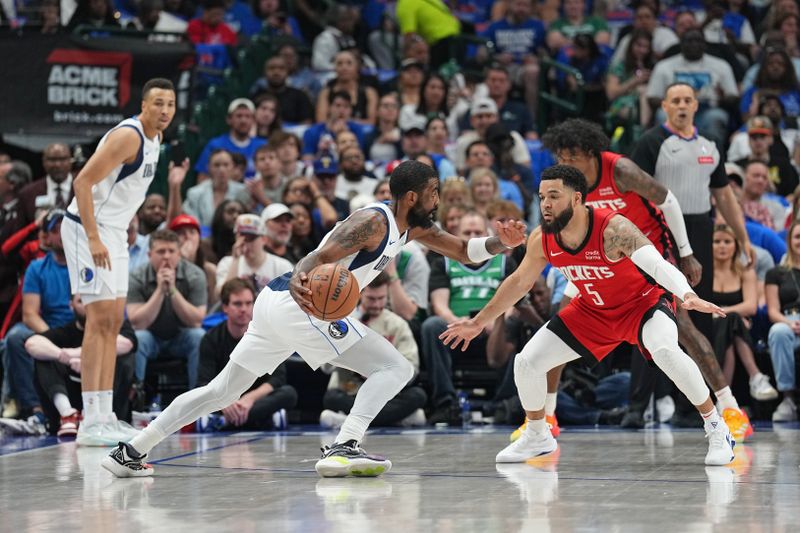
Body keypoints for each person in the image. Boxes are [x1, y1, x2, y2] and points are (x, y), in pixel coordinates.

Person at [102, 160, 527, 478]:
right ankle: (344, 445)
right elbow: (320, 255)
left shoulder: (411, 228)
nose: (439, 199)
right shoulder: (373, 222)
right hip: (300, 302)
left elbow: (463, 252)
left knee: (220, 390)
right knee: (396, 366)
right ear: (414, 196)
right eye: (434, 191)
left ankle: (131, 452)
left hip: (277, 305)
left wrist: (499, 243)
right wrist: (303, 280)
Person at [441, 165, 735, 466]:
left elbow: (656, 264)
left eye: (554, 196)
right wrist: (478, 322)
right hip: (592, 311)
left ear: (577, 198)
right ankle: (538, 435)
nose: (546, 204)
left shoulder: (613, 228)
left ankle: (717, 428)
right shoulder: (542, 238)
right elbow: (518, 282)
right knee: (527, 362)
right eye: (542, 196)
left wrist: (686, 293)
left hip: (641, 304)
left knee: (665, 352)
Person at [540, 118, 753, 438]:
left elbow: (666, 199)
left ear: (590, 151)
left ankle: (730, 408)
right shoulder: (570, 187)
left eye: (571, 157)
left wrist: (685, 252)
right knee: (562, 319)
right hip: (602, 254)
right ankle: (547, 418)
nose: (564, 164)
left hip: (648, 250)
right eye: (560, 158)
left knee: (683, 326)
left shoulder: (621, 170)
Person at [60, 78, 177, 445]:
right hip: (87, 228)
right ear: (143, 105)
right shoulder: (129, 136)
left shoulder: (157, 140)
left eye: (170, 104)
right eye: (158, 103)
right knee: (98, 321)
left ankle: (104, 416)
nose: (164, 110)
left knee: (113, 322)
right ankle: (90, 421)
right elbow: (82, 182)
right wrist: (94, 237)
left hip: (113, 231)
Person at [319, 272, 427, 428]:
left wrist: (384, 373)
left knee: (418, 395)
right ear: (360, 294)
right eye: (371, 299)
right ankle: (396, 420)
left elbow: (412, 367)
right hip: (350, 390)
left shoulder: (397, 325)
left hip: (387, 394)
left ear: (388, 294)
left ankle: (347, 422)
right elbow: (325, 367)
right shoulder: (344, 321)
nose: (376, 305)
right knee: (331, 398)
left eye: (381, 298)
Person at [24, 294, 136, 437]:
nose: (87, 305)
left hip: (109, 396)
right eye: (81, 301)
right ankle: (67, 415)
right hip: (75, 394)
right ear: (71, 306)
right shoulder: (66, 330)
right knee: (45, 357)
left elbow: (127, 343)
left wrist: (84, 358)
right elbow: (32, 343)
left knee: (124, 357)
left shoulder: (114, 326)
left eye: (91, 300)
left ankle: (105, 416)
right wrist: (63, 357)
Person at [198, 279, 297, 430]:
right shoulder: (211, 338)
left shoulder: (267, 334)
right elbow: (204, 382)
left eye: (248, 303)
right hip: (223, 399)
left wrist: (250, 399)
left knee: (289, 394)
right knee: (200, 397)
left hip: (256, 398)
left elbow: (278, 378)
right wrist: (225, 403)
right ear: (225, 307)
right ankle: (264, 418)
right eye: (237, 304)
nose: (244, 309)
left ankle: (223, 422)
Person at [128, 229, 207, 390]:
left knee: (199, 337)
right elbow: (137, 322)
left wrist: (172, 290)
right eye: (161, 251)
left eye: (171, 251)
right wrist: (159, 291)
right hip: (151, 337)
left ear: (179, 254)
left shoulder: (195, 275)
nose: (166, 256)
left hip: (181, 336)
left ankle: (197, 398)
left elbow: (196, 320)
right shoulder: (136, 276)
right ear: (149, 255)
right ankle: (136, 397)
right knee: (138, 338)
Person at [710, 223, 778, 401]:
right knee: (733, 321)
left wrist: (720, 312)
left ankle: (723, 400)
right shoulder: (704, 271)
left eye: (727, 241)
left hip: (731, 326)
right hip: (707, 326)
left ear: (736, 245)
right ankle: (755, 377)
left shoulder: (745, 271)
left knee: (730, 325)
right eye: (717, 242)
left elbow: (751, 306)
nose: (722, 246)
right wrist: (730, 315)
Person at [765, 220, 800, 422]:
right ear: (789, 240)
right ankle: (787, 399)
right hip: (788, 322)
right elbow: (773, 311)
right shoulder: (776, 273)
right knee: (778, 331)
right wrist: (788, 323)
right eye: (797, 236)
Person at [216, 213, 293, 294]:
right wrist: (236, 260)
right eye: (242, 237)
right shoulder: (227, 263)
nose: (245, 243)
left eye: (251, 238)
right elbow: (221, 295)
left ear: (264, 239)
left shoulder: (282, 265)